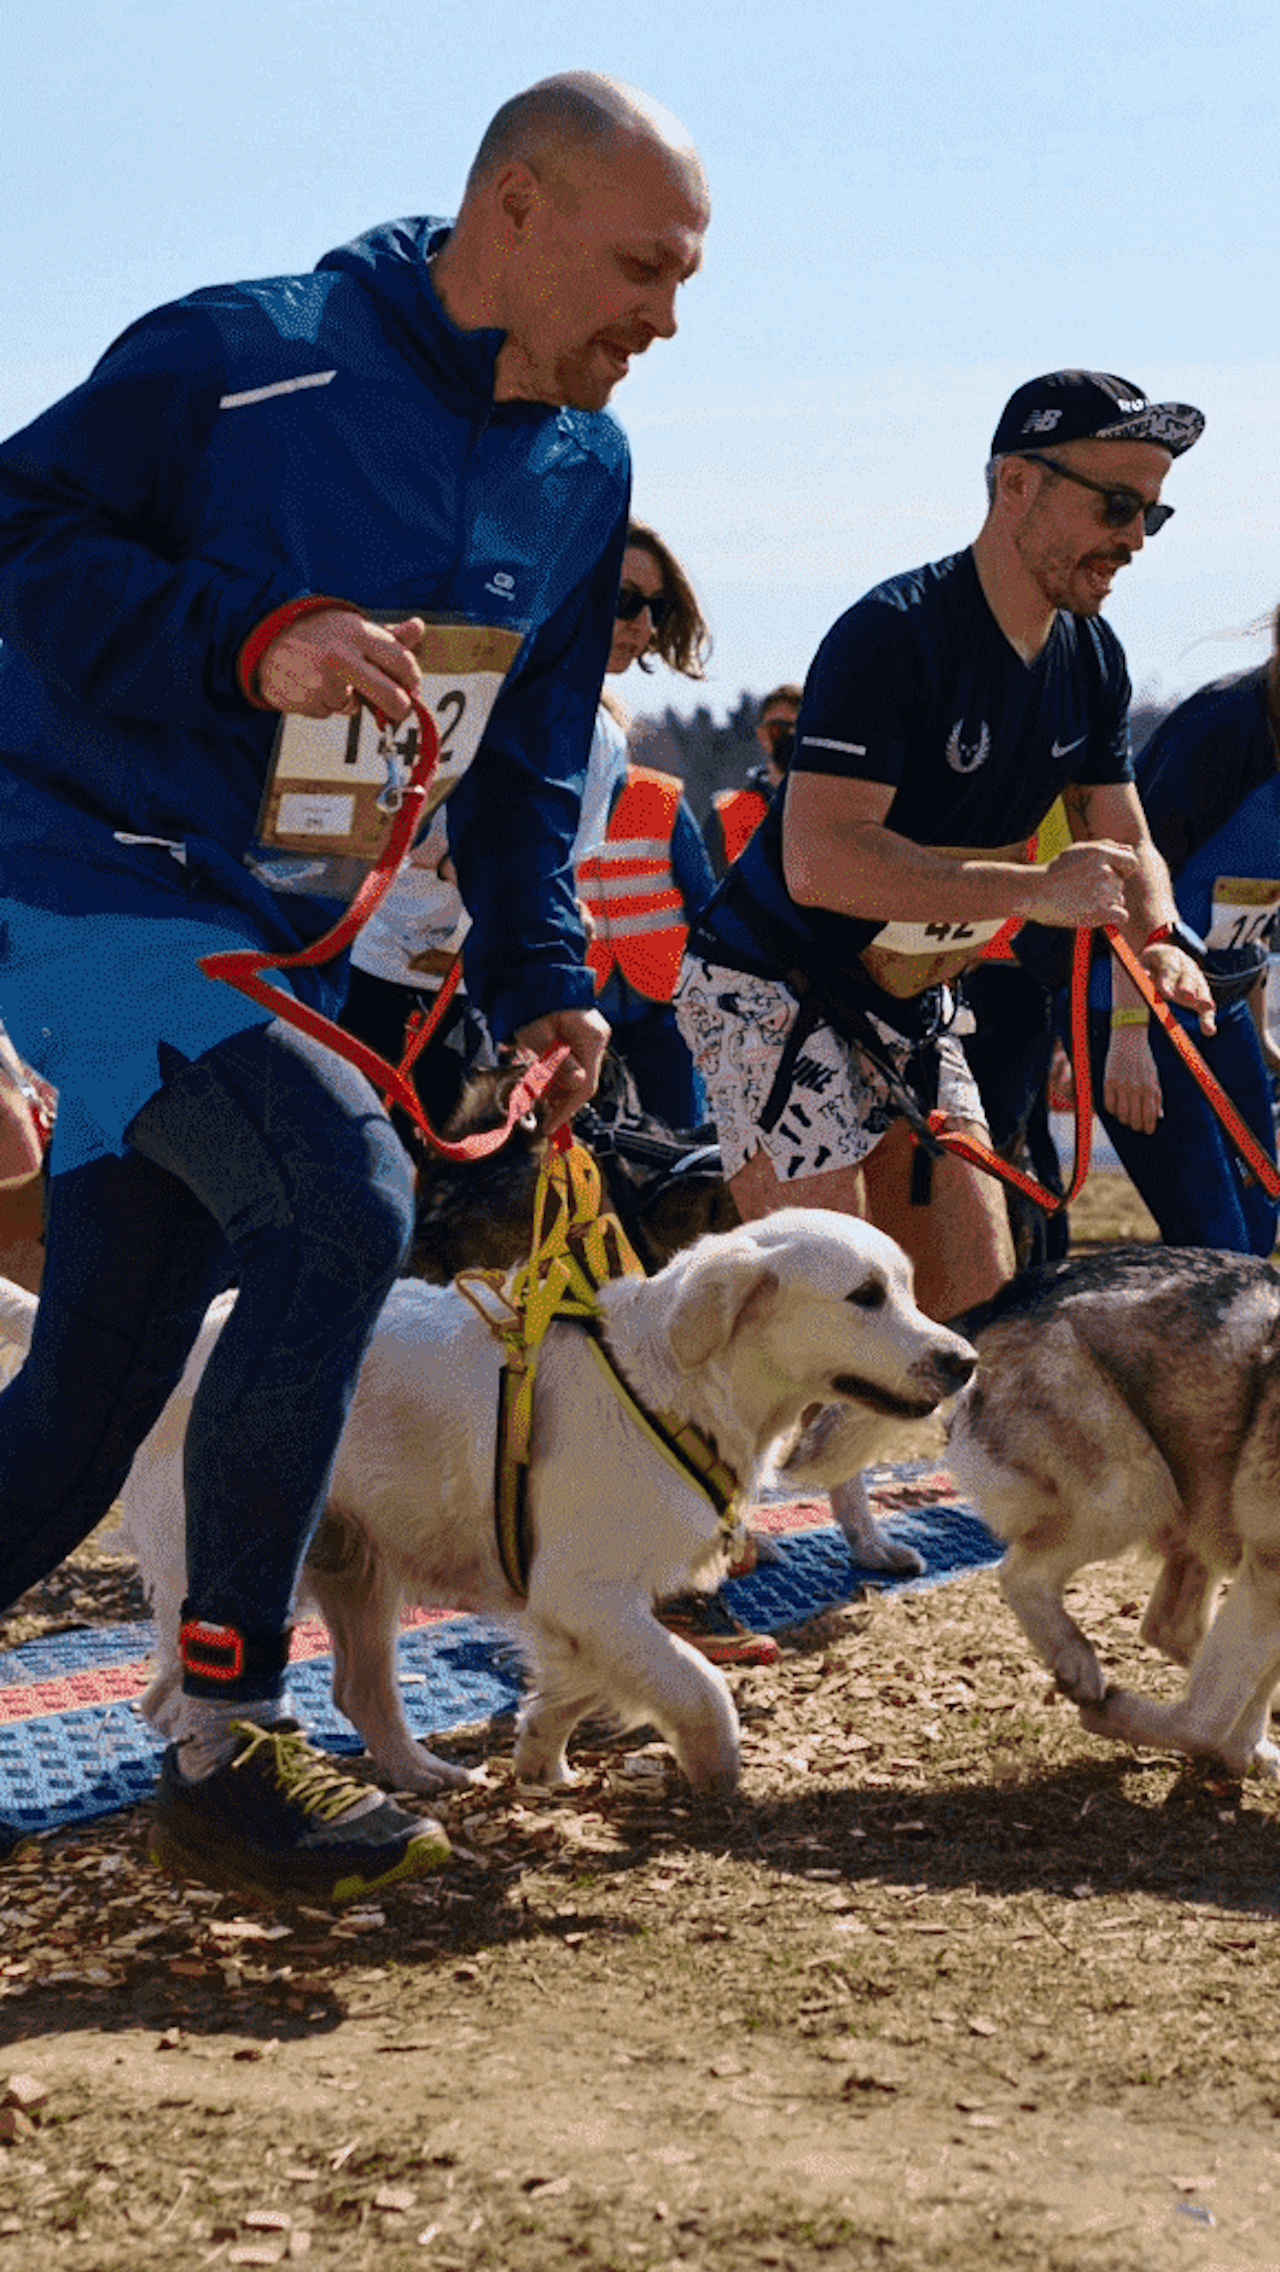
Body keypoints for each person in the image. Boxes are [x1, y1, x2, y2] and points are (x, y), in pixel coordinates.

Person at [0, 72, 709, 1903]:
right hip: (92, 884)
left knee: (87, 1404)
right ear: (518, 208)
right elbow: (24, 542)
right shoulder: (246, 356)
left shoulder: (586, 469)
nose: (667, 315)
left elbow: (537, 763)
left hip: (290, 942)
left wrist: (560, 983)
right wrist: (252, 639)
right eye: (643, 264)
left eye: (687, 276)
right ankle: (227, 1736)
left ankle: (217, 1730)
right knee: (344, 1195)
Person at [675, 370, 1215, 1360]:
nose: (1134, 537)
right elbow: (821, 862)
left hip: (910, 998)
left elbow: (1126, 838)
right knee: (823, 1314)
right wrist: (1033, 892)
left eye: (1152, 512)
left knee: (981, 1316)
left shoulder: (1090, 657)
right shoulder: (893, 635)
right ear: (1014, 485)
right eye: (1113, 504)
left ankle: (946, 1511)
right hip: (769, 985)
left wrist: (1161, 940)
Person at [1079, 621, 1280, 1252]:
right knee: (1214, 1243)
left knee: (1259, 1224)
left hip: (1220, 1004)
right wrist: (1130, 1034)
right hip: (1129, 1002)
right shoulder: (1225, 727)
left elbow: (1248, 903)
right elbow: (1129, 870)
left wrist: (1264, 1036)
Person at [576, 520, 717, 1126]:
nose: (645, 626)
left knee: (682, 1138)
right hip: (586, 993)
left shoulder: (661, 798)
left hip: (661, 996)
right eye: (626, 603)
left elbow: (704, 898)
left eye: (653, 610)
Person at [704, 683, 802, 877]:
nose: (790, 736)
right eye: (778, 729)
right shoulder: (726, 810)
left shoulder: (831, 806)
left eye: (798, 728)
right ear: (762, 734)